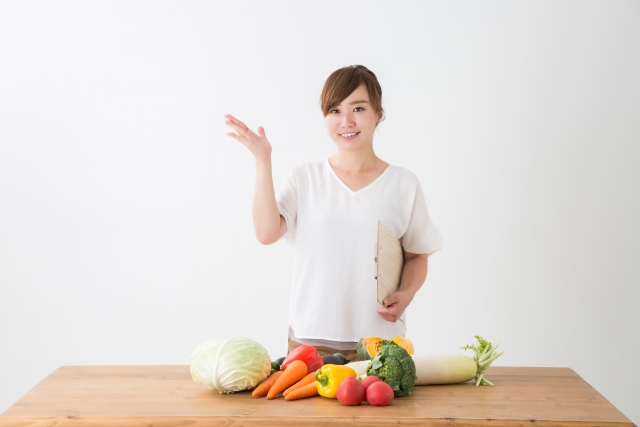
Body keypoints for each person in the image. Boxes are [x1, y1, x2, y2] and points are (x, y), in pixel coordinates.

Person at [224, 65, 443, 362]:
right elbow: (266, 233)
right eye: (335, 111)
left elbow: (418, 255)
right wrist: (263, 161)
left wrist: (406, 294)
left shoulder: (403, 184)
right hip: (310, 342)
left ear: (378, 113)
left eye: (359, 108)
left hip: (381, 344)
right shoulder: (305, 177)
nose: (347, 121)